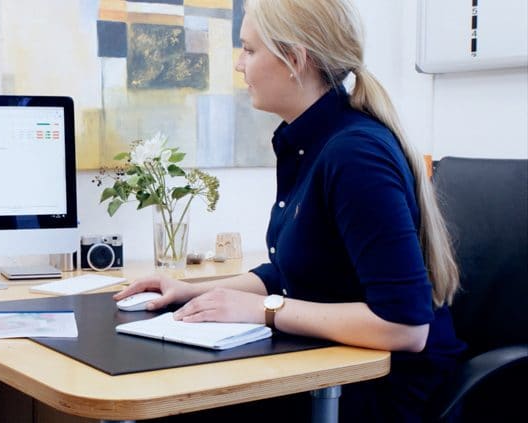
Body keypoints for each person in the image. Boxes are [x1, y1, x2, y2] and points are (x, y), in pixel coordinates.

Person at [115, 0, 465, 421]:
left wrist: (265, 310)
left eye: (249, 50)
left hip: (383, 392)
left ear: (295, 60)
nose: (240, 65)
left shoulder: (354, 155)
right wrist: (192, 291)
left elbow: (405, 327)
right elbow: (293, 271)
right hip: (329, 369)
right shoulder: (311, 143)